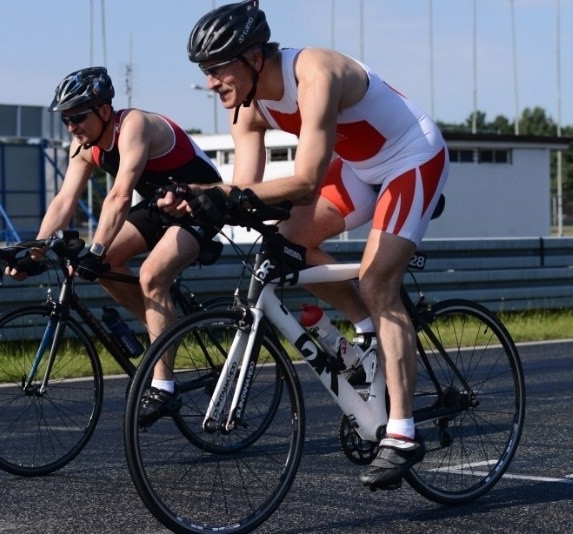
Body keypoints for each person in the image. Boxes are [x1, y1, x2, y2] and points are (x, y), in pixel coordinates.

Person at [167, 1, 449, 490]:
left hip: (411, 156)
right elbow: (243, 192)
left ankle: (403, 432)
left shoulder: (314, 72)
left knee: (378, 280)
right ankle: (366, 334)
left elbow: (305, 180)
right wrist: (200, 204)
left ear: (255, 57)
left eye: (216, 69)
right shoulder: (247, 109)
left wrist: (218, 196)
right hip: (361, 168)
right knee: (284, 241)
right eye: (204, 72)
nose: (210, 83)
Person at [7, 66, 223, 426]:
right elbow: (63, 201)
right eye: (65, 120)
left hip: (202, 203)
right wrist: (35, 253)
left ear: (104, 110)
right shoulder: (84, 145)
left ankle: (164, 387)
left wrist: (96, 248)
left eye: (77, 117)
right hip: (160, 205)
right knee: (104, 265)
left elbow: (121, 196)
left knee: (151, 276)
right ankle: (166, 331)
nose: (72, 127)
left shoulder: (133, 125)